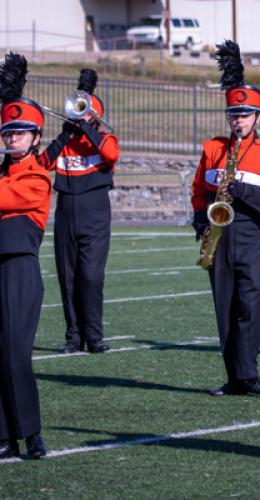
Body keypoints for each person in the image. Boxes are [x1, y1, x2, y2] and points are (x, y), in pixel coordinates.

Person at [191, 40, 260, 396]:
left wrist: (242, 189)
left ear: (257, 117)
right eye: (234, 115)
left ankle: (250, 374)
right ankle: (233, 377)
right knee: (225, 310)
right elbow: (199, 191)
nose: (238, 121)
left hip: (252, 236)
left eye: (245, 115)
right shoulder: (213, 149)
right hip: (220, 236)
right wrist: (201, 221)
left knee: (249, 307)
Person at [44, 69, 120, 354]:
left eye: (85, 113)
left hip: (95, 215)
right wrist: (65, 136)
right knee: (67, 277)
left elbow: (111, 155)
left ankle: (95, 335)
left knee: (91, 276)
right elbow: (44, 163)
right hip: (65, 214)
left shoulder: (105, 140)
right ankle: (73, 337)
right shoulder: (66, 144)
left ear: (94, 117)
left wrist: (88, 127)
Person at [0, 52, 51, 459]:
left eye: (21, 133)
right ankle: (4, 435)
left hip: (19, 271)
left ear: (37, 137)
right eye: (8, 133)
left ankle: (31, 433)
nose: (13, 138)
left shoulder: (36, 176)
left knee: (16, 355)